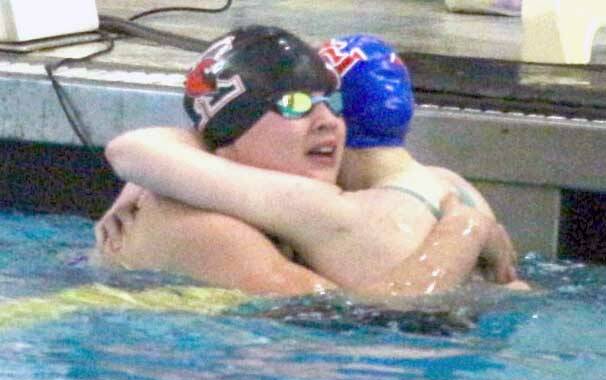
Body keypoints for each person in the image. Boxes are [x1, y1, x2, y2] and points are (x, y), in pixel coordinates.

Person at [100, 26, 523, 301]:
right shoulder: (209, 229)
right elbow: (366, 318)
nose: (327, 122)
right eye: (294, 105)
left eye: (331, 102)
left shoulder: (266, 203)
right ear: (229, 139)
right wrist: (466, 229)